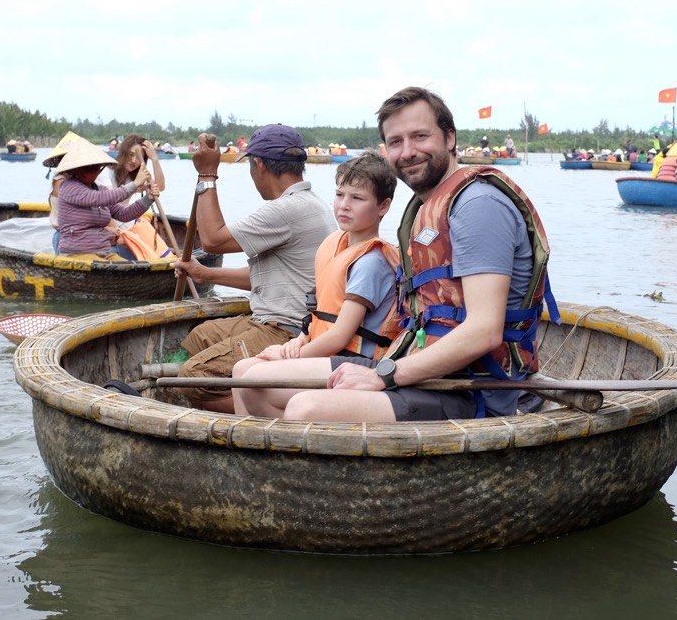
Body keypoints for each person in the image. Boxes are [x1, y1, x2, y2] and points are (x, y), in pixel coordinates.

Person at [235, 86, 559, 423]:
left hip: (470, 388)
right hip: (419, 367)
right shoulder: (428, 207)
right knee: (253, 379)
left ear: (449, 138)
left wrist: (383, 375)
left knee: (306, 408)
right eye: (395, 142)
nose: (408, 152)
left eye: (420, 136)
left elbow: (483, 331)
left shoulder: (479, 206)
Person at [167, 124, 336, 412]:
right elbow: (270, 278)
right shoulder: (309, 203)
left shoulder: (287, 209)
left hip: (288, 331)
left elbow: (211, 239)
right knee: (199, 337)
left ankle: (266, 408)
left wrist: (207, 174)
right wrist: (204, 274)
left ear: (258, 165)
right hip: (272, 320)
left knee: (192, 377)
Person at [232, 150, 401, 415]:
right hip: (326, 351)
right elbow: (317, 313)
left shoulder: (372, 262)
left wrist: (294, 356)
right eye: (339, 194)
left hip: (355, 360)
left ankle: (281, 441)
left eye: (357, 198)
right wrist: (298, 341)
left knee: (254, 378)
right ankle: (251, 444)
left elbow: (340, 335)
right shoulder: (334, 244)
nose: (344, 205)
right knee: (241, 369)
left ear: (383, 206)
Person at [54, 142, 158, 258]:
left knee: (127, 268)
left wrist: (148, 198)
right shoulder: (69, 187)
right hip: (76, 254)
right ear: (75, 170)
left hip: (103, 252)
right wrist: (134, 184)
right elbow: (99, 199)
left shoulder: (100, 190)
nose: (92, 170)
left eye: (95, 167)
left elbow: (124, 214)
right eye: (86, 168)